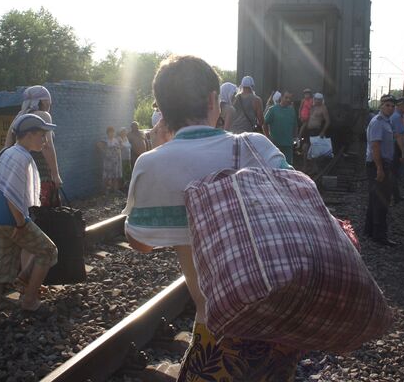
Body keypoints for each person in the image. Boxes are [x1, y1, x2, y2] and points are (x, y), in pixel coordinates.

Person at [124, 55, 300, 381]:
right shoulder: (256, 147)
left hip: (218, 333)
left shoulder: (152, 165)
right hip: (278, 330)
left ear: (162, 109)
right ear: (211, 101)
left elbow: (140, 243)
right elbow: (301, 206)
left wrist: (160, 149)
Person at [0, 114, 59, 330]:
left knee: (1, 270)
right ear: (29, 134)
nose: (45, 139)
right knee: (48, 251)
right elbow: (9, 195)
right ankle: (30, 300)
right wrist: (21, 224)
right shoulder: (21, 157)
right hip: (13, 220)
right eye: (42, 135)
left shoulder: (8, 153)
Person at [5, 85, 62, 207]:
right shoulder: (43, 115)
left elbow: (7, 146)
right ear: (43, 101)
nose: (49, 105)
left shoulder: (18, 118)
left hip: (20, 170)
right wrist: (55, 174)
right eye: (49, 101)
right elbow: (47, 146)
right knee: (44, 210)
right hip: (40, 171)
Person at [364, 95, 397, 247]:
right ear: (381, 106)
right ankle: (380, 235)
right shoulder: (378, 123)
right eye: (388, 105)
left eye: (392, 106)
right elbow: (375, 146)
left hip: (380, 163)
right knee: (382, 201)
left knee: (374, 199)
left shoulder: (386, 122)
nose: (391, 108)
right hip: (379, 164)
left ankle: (369, 231)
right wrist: (379, 168)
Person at [264, 91, 298, 164]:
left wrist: (296, 138)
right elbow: (264, 124)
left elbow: (295, 125)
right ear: (281, 97)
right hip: (275, 144)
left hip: (288, 145)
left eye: (290, 98)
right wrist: (268, 137)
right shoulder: (273, 109)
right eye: (286, 97)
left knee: (287, 166)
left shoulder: (292, 110)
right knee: (275, 165)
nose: (288, 100)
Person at [298, 92, 330, 163]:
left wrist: (323, 131)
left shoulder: (323, 108)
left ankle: (314, 168)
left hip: (316, 131)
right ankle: (305, 167)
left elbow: (328, 121)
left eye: (319, 99)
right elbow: (306, 119)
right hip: (308, 130)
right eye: (315, 99)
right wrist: (300, 133)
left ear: (321, 100)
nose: (317, 101)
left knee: (314, 151)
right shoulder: (312, 107)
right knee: (305, 148)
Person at [389, 98, 404, 204]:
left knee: (392, 173)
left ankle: (395, 196)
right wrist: (403, 152)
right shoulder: (397, 117)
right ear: (400, 105)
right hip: (394, 147)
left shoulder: (395, 115)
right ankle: (394, 197)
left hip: (392, 146)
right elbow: (399, 136)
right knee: (393, 173)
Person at [101, 126, 123, 193]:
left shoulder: (116, 140)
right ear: (107, 133)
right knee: (107, 177)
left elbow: (120, 148)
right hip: (108, 162)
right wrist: (105, 151)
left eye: (113, 132)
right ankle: (106, 190)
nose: (112, 134)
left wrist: (119, 149)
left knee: (115, 176)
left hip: (116, 161)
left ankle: (115, 190)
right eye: (110, 132)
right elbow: (98, 145)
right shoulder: (105, 141)